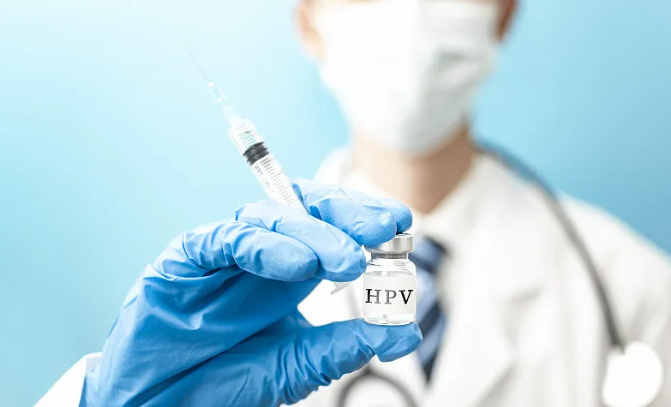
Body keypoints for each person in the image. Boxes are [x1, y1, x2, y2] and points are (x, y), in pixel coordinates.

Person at [37, 0, 671, 406]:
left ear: (502, 14)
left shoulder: (636, 292)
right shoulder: (224, 308)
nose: (410, 17)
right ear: (309, 20)